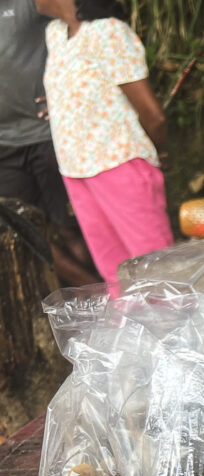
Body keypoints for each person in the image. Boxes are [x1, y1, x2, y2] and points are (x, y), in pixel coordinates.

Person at [34, 0, 174, 288]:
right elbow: (86, 88)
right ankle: (129, 332)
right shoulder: (56, 34)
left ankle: (173, 330)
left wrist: (152, 153)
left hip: (120, 165)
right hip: (76, 170)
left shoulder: (109, 33)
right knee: (115, 273)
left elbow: (154, 116)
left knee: (154, 271)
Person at [0, 0, 99, 286]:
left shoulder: (27, 4)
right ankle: (94, 295)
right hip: (4, 146)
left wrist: (66, 87)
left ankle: (105, 301)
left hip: (46, 136)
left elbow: (80, 22)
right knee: (18, 230)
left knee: (69, 228)